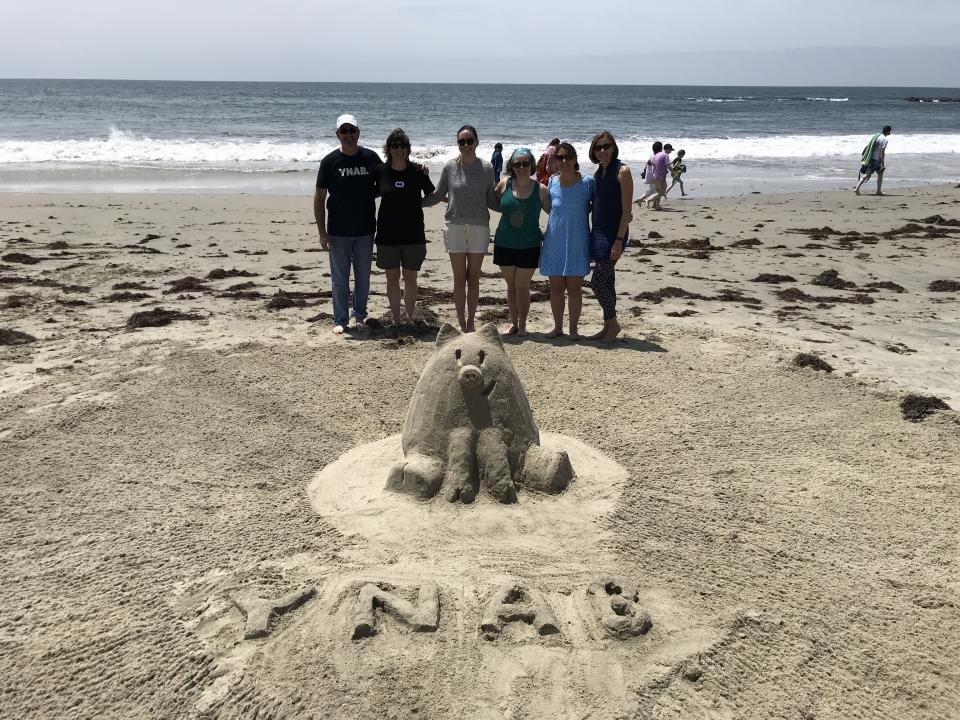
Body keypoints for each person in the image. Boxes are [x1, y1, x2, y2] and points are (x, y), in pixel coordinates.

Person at [423, 124, 499, 332]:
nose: (465, 145)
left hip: (479, 227)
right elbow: (438, 195)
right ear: (458, 144)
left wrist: (514, 206)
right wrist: (414, 201)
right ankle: (460, 322)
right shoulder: (449, 167)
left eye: (469, 141)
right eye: (461, 142)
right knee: (459, 278)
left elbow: (491, 200)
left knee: (473, 277)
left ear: (477, 142)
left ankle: (471, 321)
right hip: (454, 227)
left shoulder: (487, 168)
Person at [314, 113, 383, 334]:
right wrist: (322, 233)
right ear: (337, 134)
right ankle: (340, 320)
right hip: (337, 232)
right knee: (340, 279)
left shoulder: (371, 158)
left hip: (364, 231)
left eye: (352, 130)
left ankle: (360, 316)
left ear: (358, 133)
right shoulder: (329, 161)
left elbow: (388, 179)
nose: (348, 135)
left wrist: (418, 169)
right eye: (344, 131)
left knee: (363, 277)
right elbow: (319, 197)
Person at [374, 128, 435, 328]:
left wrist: (419, 204)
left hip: (413, 234)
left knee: (410, 277)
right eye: (395, 146)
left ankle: (409, 317)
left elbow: (431, 194)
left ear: (408, 149)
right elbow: (368, 194)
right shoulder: (380, 171)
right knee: (392, 278)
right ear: (388, 149)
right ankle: (396, 319)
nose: (399, 149)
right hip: (387, 235)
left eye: (403, 146)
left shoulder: (418, 171)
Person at [539, 142, 595, 340]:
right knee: (555, 288)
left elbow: (598, 207)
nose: (564, 161)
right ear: (555, 161)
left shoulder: (588, 182)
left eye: (568, 157)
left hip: (578, 241)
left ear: (575, 159)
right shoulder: (551, 182)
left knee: (574, 289)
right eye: (560, 157)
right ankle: (557, 327)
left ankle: (573, 330)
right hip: (554, 241)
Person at [493, 147, 551, 337]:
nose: (521, 167)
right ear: (511, 166)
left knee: (522, 286)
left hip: (529, 245)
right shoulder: (503, 185)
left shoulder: (541, 190)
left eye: (525, 163)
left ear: (532, 164)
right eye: (517, 164)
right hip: (504, 243)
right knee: (511, 286)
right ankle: (514, 323)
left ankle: (523, 324)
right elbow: (490, 201)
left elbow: (556, 214)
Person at [587, 131, 633, 343]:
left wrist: (618, 240)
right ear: (594, 151)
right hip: (597, 232)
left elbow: (626, 211)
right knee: (608, 282)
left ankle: (613, 323)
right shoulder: (599, 173)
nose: (603, 151)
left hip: (614, 235)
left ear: (613, 147)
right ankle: (607, 327)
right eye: (599, 147)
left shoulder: (622, 171)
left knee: (597, 283)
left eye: (606, 146)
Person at [855, 125, 892, 196]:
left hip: (871, 158)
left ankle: (878, 191)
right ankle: (857, 189)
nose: (890, 132)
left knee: (879, 174)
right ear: (888, 131)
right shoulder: (885, 140)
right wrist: (882, 162)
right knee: (867, 175)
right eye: (890, 131)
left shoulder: (876, 136)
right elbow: (882, 152)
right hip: (877, 160)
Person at [643, 142, 672, 210]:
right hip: (658, 176)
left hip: (653, 175)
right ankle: (649, 200)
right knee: (660, 192)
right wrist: (672, 171)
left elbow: (650, 164)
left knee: (657, 191)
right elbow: (667, 166)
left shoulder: (653, 155)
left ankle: (655, 205)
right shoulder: (662, 155)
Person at [635, 142, 661, 207]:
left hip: (649, 175)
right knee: (657, 191)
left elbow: (647, 165)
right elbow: (655, 167)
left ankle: (640, 199)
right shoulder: (657, 157)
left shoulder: (651, 155)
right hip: (654, 176)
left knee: (652, 190)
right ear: (660, 149)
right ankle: (653, 204)